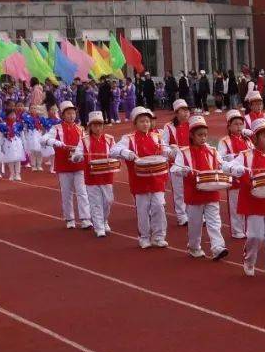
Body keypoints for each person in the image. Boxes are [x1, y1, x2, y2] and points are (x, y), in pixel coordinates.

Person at [223, 118, 265, 279]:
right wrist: (238, 169)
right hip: (253, 201)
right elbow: (225, 167)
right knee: (255, 236)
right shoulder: (245, 156)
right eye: (264, 136)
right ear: (254, 138)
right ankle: (249, 260)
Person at [169, 115, 229, 260]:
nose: (203, 138)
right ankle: (194, 247)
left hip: (212, 192)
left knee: (214, 221)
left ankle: (217, 247)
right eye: (200, 135)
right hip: (194, 194)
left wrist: (231, 167)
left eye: (205, 135)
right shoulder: (183, 152)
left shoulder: (212, 151)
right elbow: (174, 169)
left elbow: (222, 164)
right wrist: (182, 170)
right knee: (195, 225)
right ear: (191, 135)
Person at [111, 106, 169, 248]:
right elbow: (113, 150)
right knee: (143, 209)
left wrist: (170, 151)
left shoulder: (157, 136)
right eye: (142, 121)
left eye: (147, 121)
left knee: (159, 206)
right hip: (139, 180)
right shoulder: (128, 138)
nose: (145, 124)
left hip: (157, 179)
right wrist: (126, 152)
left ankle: (159, 236)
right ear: (135, 123)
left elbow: (165, 149)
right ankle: (144, 236)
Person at [43, 101, 92, 229]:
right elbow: (44, 139)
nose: (71, 116)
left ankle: (85, 218)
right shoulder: (56, 128)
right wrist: (57, 143)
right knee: (67, 193)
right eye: (68, 113)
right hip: (63, 165)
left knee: (82, 192)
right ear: (63, 115)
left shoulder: (80, 129)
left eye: (73, 113)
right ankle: (69, 218)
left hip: (79, 165)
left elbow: (86, 144)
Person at [74, 111, 117, 237]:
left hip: (107, 175)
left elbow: (115, 152)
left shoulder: (110, 139)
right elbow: (78, 152)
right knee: (95, 202)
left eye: (100, 125)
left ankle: (104, 220)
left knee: (108, 201)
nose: (98, 128)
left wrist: (121, 154)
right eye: (95, 125)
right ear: (90, 126)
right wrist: (77, 157)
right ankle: (99, 228)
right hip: (91, 176)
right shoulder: (84, 140)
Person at [217, 109, 250, 240]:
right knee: (235, 204)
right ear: (229, 126)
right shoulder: (224, 141)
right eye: (235, 124)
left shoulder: (248, 140)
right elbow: (221, 158)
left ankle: (247, 228)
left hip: (246, 177)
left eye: (240, 124)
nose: (238, 127)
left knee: (247, 203)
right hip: (233, 177)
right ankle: (237, 230)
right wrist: (236, 157)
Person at [160, 99, 192, 226]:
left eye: (187, 110)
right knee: (179, 191)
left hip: (191, 162)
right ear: (176, 112)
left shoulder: (192, 124)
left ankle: (193, 213)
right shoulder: (169, 127)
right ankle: (181, 215)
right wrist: (171, 152)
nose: (186, 113)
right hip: (176, 164)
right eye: (182, 111)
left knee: (193, 189)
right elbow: (163, 145)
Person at [0, 109, 25, 181]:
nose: (13, 116)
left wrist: (24, 143)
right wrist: (1, 145)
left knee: (17, 159)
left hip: (17, 143)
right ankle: (12, 173)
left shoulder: (19, 124)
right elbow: (1, 136)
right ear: (7, 116)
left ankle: (18, 174)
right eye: (11, 115)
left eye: (14, 114)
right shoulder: (3, 125)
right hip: (8, 144)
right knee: (10, 159)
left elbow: (22, 135)